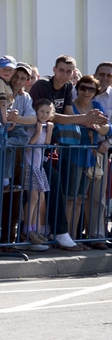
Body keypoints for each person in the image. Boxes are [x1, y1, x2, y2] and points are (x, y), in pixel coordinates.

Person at [29, 55, 108, 251]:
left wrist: (88, 120)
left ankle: (50, 234)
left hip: (47, 146)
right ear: (54, 69)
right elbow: (52, 116)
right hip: (30, 144)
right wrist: (85, 118)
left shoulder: (66, 88)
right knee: (39, 193)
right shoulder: (42, 85)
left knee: (51, 190)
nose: (64, 75)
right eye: (61, 70)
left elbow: (68, 115)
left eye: (69, 71)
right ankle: (45, 234)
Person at [0, 62, 39, 250]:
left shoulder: (25, 98)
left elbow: (33, 119)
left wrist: (16, 119)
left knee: (13, 193)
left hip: (15, 150)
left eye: (23, 78)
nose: (19, 81)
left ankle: (7, 240)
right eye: (16, 76)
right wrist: (3, 130)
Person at [63, 75, 110, 239]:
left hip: (89, 156)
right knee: (70, 198)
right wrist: (87, 121)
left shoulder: (96, 106)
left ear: (95, 92)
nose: (87, 92)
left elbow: (107, 129)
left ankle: (74, 237)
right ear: (77, 89)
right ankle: (66, 237)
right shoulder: (70, 106)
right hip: (72, 155)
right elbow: (67, 122)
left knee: (80, 199)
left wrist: (93, 125)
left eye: (91, 89)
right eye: (83, 88)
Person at [0, 56, 30, 191]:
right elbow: (3, 103)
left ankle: (5, 182)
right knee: (24, 137)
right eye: (4, 69)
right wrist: (6, 121)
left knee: (8, 151)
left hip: (2, 115)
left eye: (10, 70)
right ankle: (4, 143)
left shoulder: (18, 93)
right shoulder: (0, 83)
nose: (8, 73)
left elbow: (33, 118)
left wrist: (16, 118)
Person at [21, 99, 53, 245]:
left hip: (38, 167)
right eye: (42, 111)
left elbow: (46, 144)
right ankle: (27, 230)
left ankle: (35, 229)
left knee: (40, 198)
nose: (44, 115)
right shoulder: (33, 127)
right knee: (33, 198)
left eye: (47, 112)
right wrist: (38, 131)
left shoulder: (45, 127)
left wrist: (49, 130)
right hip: (29, 166)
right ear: (36, 112)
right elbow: (28, 146)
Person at [88, 61, 112, 249]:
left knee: (98, 196)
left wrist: (108, 142)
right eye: (101, 74)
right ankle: (76, 236)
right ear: (95, 74)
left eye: (109, 75)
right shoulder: (83, 90)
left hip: (102, 150)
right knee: (76, 196)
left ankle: (97, 236)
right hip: (81, 148)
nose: (104, 78)